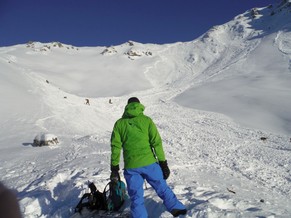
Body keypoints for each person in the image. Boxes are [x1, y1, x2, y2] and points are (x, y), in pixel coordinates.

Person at [110, 97, 187, 217]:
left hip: (131, 167)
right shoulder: (147, 121)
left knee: (136, 197)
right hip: (150, 164)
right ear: (139, 105)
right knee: (162, 187)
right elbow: (157, 142)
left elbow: (115, 147)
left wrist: (114, 168)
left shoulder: (119, 123)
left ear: (127, 106)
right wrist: (163, 163)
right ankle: (176, 208)